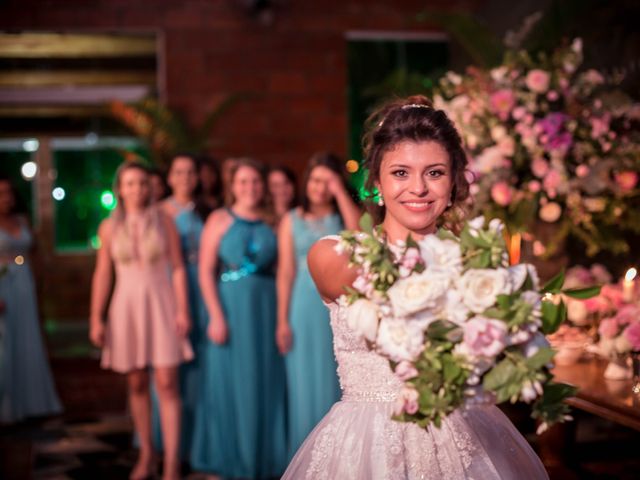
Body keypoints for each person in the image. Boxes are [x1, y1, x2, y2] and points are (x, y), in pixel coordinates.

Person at [282, 96, 549, 479]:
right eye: (401, 173)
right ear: (376, 180)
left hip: (465, 439)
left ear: (455, 179)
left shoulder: (479, 263)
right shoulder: (336, 256)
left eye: (435, 173)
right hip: (365, 447)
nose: (419, 188)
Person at [90, 162, 193, 480]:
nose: (136, 189)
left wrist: (183, 310)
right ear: (119, 189)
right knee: (135, 382)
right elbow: (103, 272)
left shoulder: (165, 221)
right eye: (129, 184)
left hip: (161, 304)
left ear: (149, 187)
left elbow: (177, 267)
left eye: (142, 183)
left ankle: (172, 463)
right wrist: (96, 316)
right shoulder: (108, 227)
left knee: (166, 382)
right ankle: (147, 453)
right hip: (125, 307)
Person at [191, 158, 287, 478]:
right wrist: (216, 316)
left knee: (264, 381)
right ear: (233, 186)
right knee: (230, 381)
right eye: (243, 182)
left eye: (256, 182)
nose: (250, 188)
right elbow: (205, 272)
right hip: (230, 308)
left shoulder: (274, 221)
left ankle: (263, 456)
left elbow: (284, 270)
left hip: (265, 306)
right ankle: (232, 457)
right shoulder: (219, 219)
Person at [276, 152, 360, 459]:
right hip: (301, 305)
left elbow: (360, 237)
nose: (319, 187)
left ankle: (338, 457)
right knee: (302, 381)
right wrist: (282, 320)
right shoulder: (291, 219)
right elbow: (285, 272)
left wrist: (340, 191)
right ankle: (304, 457)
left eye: (327, 181)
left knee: (334, 377)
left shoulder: (342, 219)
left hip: (336, 306)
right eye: (315, 179)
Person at [150, 154, 210, 461]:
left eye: (190, 171)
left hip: (204, 288)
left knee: (202, 365)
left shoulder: (207, 209)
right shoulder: (158, 211)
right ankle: (165, 442)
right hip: (170, 288)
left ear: (197, 177)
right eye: (179, 172)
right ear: (169, 177)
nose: (185, 177)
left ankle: (198, 443)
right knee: (170, 368)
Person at [0, 175, 62, 423]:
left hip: (25, 282)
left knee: (29, 338)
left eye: (8, 193)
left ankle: (34, 401)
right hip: (3, 284)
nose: (5, 198)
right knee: (6, 344)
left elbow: (36, 254)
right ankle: (8, 405)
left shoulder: (22, 220)